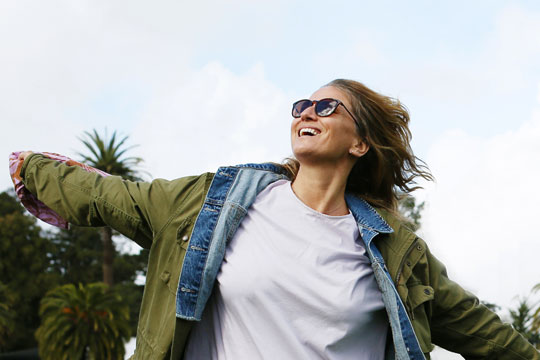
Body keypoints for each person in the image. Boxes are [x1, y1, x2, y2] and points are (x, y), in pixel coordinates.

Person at [14, 79, 539, 359]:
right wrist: (32, 168)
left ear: (360, 143)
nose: (306, 112)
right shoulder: (213, 202)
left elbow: (483, 333)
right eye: (301, 105)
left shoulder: (397, 252)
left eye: (327, 107)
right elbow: (116, 198)